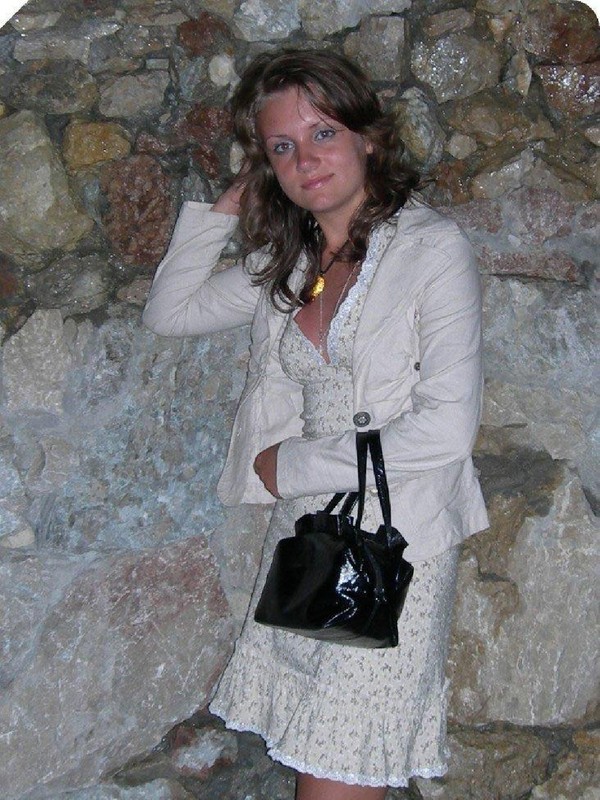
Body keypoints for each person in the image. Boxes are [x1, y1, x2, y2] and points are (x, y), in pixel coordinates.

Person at [143, 48, 488, 800]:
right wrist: (229, 204)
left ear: (368, 137)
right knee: (314, 755)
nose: (305, 160)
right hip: (308, 535)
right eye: (282, 146)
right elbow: (170, 312)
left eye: (323, 133)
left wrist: (289, 464)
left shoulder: (432, 250)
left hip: (398, 540)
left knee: (339, 767)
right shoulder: (289, 261)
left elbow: (445, 431)